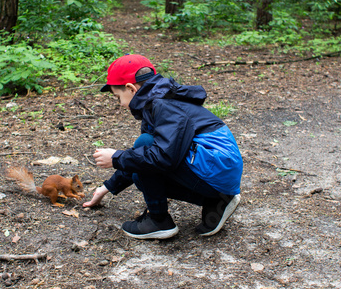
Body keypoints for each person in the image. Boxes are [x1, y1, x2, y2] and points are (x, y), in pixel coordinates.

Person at [83, 54, 243, 239]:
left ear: (130, 88)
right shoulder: (157, 102)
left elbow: (160, 157)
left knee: (144, 146)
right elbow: (144, 156)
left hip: (217, 168)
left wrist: (116, 157)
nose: (121, 104)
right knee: (139, 169)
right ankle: (216, 201)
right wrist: (107, 187)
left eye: (118, 97)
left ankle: (158, 220)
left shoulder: (164, 105)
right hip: (218, 170)